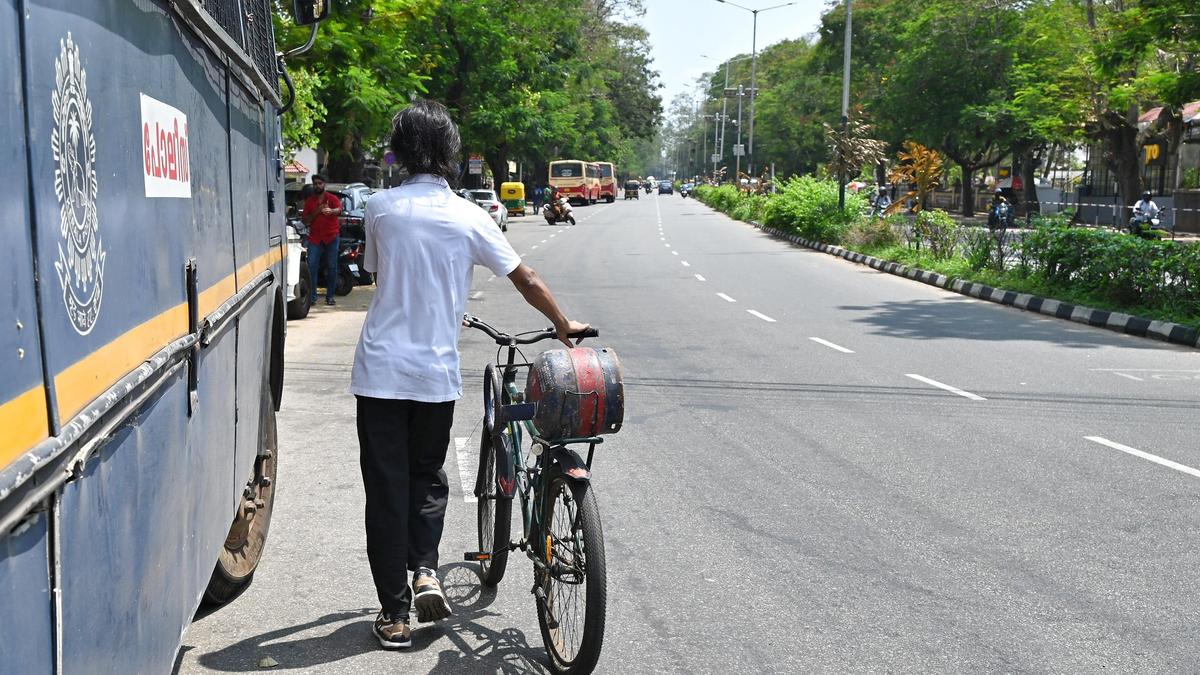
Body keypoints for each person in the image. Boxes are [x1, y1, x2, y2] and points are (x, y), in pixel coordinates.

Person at [350, 99, 588, 650]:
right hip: (434, 376)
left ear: (403, 151)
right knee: (428, 477)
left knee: (386, 488)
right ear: (450, 153)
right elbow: (524, 276)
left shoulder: (381, 208)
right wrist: (562, 322)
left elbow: (374, 273)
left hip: (381, 372)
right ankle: (427, 569)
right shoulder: (471, 216)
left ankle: (394, 614)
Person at [301, 174, 342, 306]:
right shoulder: (309, 202)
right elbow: (305, 220)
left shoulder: (332, 198)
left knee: (332, 267)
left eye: (320, 183)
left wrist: (332, 211)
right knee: (312, 267)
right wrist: (317, 211)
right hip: (315, 238)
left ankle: (330, 296)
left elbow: (339, 210)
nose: (317, 186)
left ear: (324, 184)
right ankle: (312, 297)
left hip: (331, 237)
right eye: (315, 184)